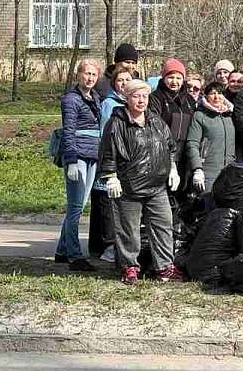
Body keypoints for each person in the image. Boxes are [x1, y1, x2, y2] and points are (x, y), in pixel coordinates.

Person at [99, 79, 182, 285]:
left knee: (163, 226)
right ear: (127, 98)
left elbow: (170, 146)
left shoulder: (156, 121)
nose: (141, 100)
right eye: (136, 96)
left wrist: (172, 168)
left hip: (157, 187)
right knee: (129, 230)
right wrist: (111, 177)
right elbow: (108, 153)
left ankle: (165, 267)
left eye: (144, 96)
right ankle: (129, 267)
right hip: (129, 187)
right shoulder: (117, 123)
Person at [55, 59, 102, 271]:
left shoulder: (95, 97)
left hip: (92, 155)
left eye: (94, 74)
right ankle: (74, 255)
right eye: (87, 73)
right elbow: (68, 131)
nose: (90, 78)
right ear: (79, 75)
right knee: (75, 207)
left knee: (81, 205)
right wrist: (72, 160)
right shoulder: (71, 99)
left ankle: (61, 250)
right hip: (78, 156)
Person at [89, 66, 135, 263]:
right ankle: (108, 246)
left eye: (127, 80)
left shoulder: (132, 101)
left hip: (129, 161)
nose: (124, 83)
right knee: (108, 203)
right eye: (120, 80)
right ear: (114, 84)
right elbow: (106, 134)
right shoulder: (110, 104)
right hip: (113, 158)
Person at [185, 82, 236, 192]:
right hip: (208, 172)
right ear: (206, 96)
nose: (217, 97)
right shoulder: (200, 115)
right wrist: (197, 168)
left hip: (229, 171)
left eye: (220, 93)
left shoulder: (230, 115)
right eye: (212, 93)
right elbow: (192, 143)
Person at [149, 58, 196, 175]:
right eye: (170, 77)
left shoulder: (189, 100)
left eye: (178, 78)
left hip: (185, 154)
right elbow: (154, 126)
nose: (174, 81)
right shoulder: (156, 98)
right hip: (163, 153)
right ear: (164, 78)